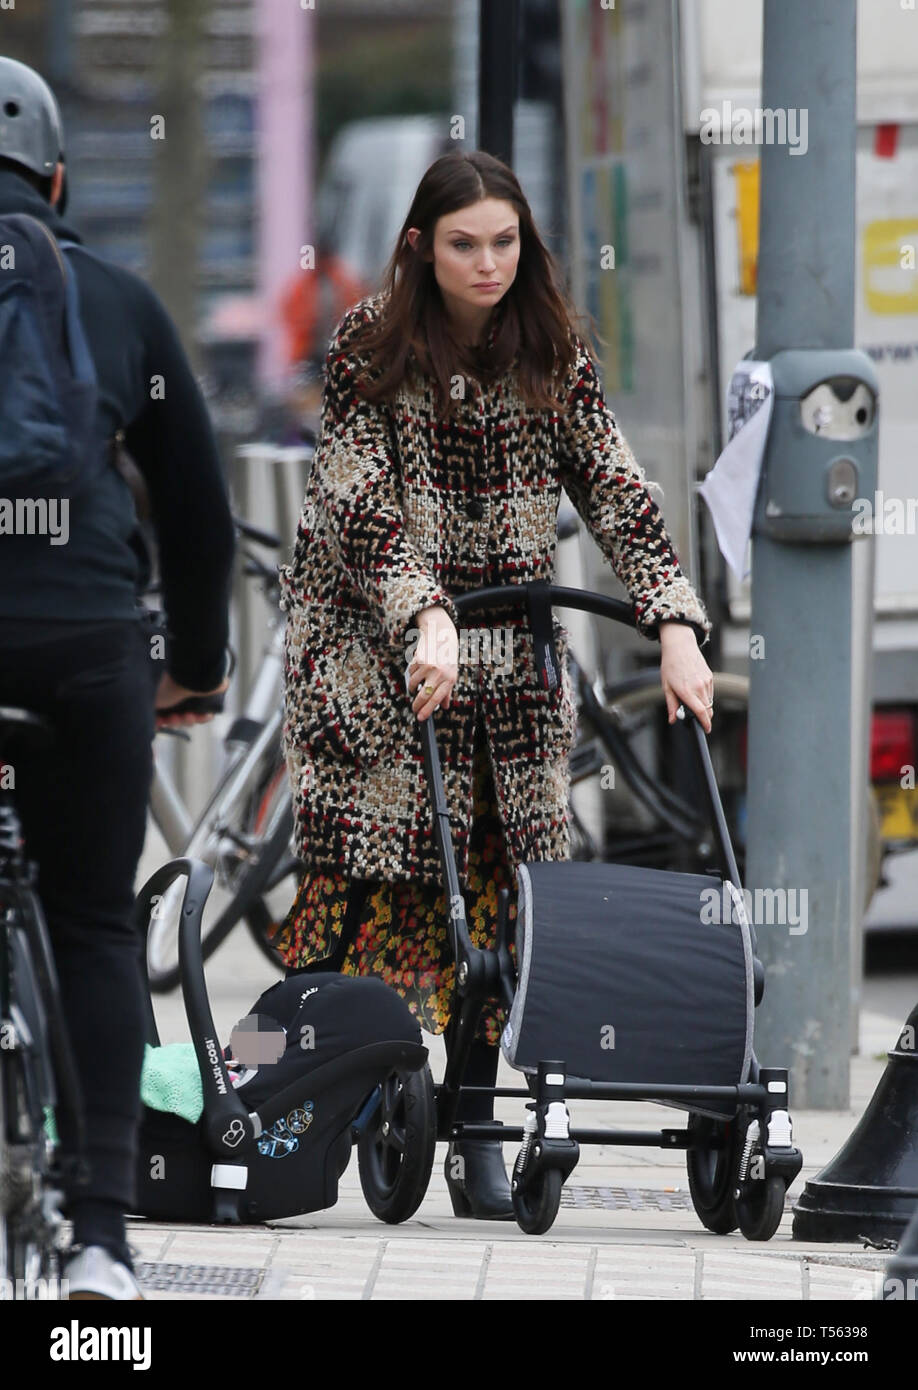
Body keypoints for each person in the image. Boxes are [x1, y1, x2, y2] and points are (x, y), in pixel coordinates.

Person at [277, 149, 714, 1219]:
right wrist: (422, 606)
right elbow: (357, 501)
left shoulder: (551, 350)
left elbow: (615, 486)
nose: (489, 264)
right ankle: (270, 1104)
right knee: (351, 904)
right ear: (423, 245)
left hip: (508, 676)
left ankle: (472, 1123)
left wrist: (672, 618)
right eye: (466, 244)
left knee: (500, 916)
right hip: (381, 667)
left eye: (506, 242)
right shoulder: (367, 346)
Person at [0, 58, 235, 1295]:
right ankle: (99, 1236)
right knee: (91, 915)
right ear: (56, 179)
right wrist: (189, 667)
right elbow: (199, 520)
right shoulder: (116, 299)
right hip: (89, 643)